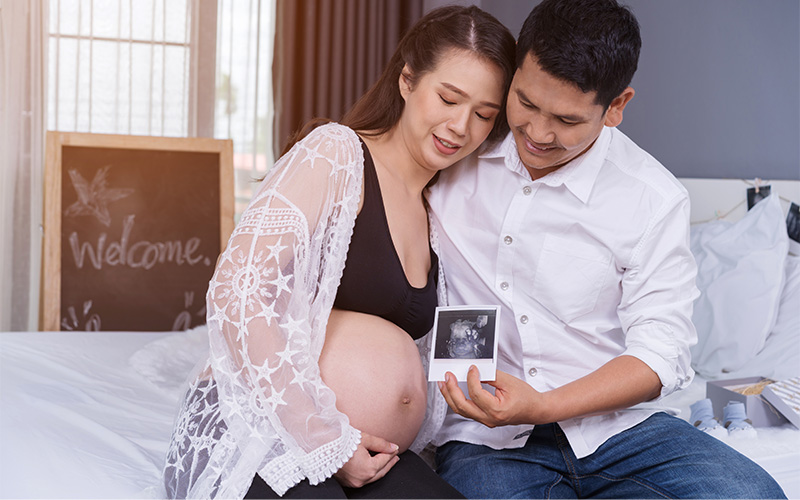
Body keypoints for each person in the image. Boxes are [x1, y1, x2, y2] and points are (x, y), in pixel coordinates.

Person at [422, 0, 788, 498]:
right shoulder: (457, 151)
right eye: (526, 103)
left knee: (753, 495)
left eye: (567, 120)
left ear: (617, 105)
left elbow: (662, 351)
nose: (537, 133)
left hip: (621, 429)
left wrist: (546, 406)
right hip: (486, 437)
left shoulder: (652, 197)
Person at [162, 5, 516, 499]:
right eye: (449, 98)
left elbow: (457, 327)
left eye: (483, 115)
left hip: (378, 453)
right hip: (270, 433)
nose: (461, 126)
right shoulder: (335, 155)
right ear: (407, 81)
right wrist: (326, 440)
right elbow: (237, 291)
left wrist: (475, 396)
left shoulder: (446, 205)